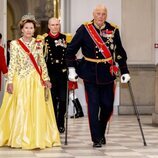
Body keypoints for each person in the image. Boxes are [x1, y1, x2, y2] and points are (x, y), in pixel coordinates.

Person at [66, 4, 131, 148]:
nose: (100, 16)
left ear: (106, 15)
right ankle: (96, 138)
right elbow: (70, 51)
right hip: (90, 73)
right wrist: (71, 68)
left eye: (103, 14)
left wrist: (125, 70)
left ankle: (100, 132)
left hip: (108, 73)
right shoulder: (85, 29)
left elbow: (119, 51)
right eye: (98, 14)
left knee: (108, 106)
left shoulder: (113, 29)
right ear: (93, 14)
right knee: (93, 106)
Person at [0, 14, 61, 149]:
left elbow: (42, 63)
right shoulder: (15, 44)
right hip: (20, 79)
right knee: (22, 108)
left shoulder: (39, 43)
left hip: (35, 80)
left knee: (37, 109)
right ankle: (20, 137)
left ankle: (37, 136)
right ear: (21, 29)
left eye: (31, 28)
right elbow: (13, 63)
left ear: (34, 30)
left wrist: (46, 79)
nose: (28, 30)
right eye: (26, 28)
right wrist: (9, 82)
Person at [44, 17, 67, 133]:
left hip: (62, 73)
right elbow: (42, 59)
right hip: (50, 73)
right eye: (52, 25)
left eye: (57, 25)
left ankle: (61, 123)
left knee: (63, 100)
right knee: (52, 100)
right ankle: (52, 124)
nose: (55, 27)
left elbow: (68, 55)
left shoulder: (65, 38)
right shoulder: (44, 40)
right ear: (49, 26)